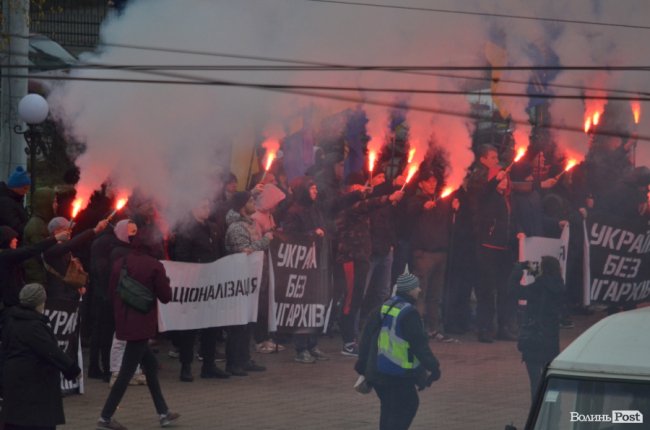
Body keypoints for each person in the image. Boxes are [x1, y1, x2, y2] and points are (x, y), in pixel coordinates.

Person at [96, 228, 180, 430]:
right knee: (126, 373)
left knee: (150, 366)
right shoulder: (154, 265)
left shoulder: (120, 263)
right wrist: (166, 281)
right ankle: (105, 417)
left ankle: (163, 412)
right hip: (142, 325)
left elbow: (111, 293)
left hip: (124, 322)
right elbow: (166, 297)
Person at [355, 270, 441, 430]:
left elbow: (366, 337)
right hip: (397, 374)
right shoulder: (409, 314)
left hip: (377, 371)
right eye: (416, 287)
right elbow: (419, 345)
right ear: (409, 290)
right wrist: (433, 367)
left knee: (388, 408)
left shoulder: (383, 307)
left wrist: (362, 364)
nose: (419, 290)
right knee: (407, 406)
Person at [1, 283, 81, 430]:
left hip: (14, 385)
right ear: (39, 302)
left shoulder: (11, 321)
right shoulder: (34, 327)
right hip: (33, 389)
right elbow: (52, 352)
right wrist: (73, 369)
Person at [171, 198, 230, 381]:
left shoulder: (213, 227)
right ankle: (186, 366)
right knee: (190, 327)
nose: (207, 209)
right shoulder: (187, 230)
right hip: (194, 284)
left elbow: (221, 252)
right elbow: (180, 255)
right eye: (203, 206)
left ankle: (209, 365)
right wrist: (197, 267)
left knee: (211, 325)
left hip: (211, 283)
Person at [281, 177, 330, 364]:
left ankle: (312, 343)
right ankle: (301, 348)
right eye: (312, 188)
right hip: (301, 265)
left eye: (316, 188)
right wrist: (310, 235)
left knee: (314, 304)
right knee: (302, 306)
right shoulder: (294, 211)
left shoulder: (315, 208)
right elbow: (290, 236)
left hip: (317, 261)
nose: (315, 191)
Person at [223, 191, 270, 375]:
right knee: (237, 324)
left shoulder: (249, 224)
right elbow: (244, 252)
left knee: (249, 322)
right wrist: (265, 241)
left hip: (251, 282)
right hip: (239, 281)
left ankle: (244, 358)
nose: (254, 203)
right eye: (251, 201)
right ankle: (233, 362)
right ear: (243, 205)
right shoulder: (236, 228)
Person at [509, 256, 565, 401]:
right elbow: (547, 282)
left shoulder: (537, 287)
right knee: (550, 381)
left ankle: (538, 414)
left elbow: (514, 290)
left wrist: (518, 270)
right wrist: (535, 272)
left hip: (534, 339)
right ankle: (553, 410)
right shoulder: (560, 286)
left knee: (536, 382)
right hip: (551, 340)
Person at [23, 187, 58, 284]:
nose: (56, 205)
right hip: (39, 279)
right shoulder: (36, 226)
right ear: (45, 204)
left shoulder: (44, 222)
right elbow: (44, 253)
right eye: (54, 202)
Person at [0, 166, 31, 239]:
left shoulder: (16, 200)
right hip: (11, 241)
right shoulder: (6, 203)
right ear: (15, 187)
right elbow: (14, 226)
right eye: (25, 188)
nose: (26, 191)